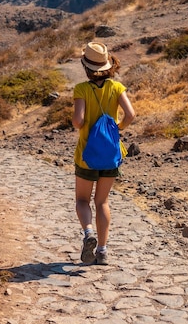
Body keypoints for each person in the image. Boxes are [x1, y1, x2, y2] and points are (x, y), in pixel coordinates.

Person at [72, 41, 136, 265]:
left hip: (86, 155)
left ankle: (88, 233)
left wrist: (82, 124)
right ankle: (102, 250)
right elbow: (130, 114)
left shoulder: (81, 89)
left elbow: (79, 121)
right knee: (102, 202)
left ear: (86, 67)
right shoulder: (117, 88)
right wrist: (116, 129)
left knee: (82, 200)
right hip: (110, 153)